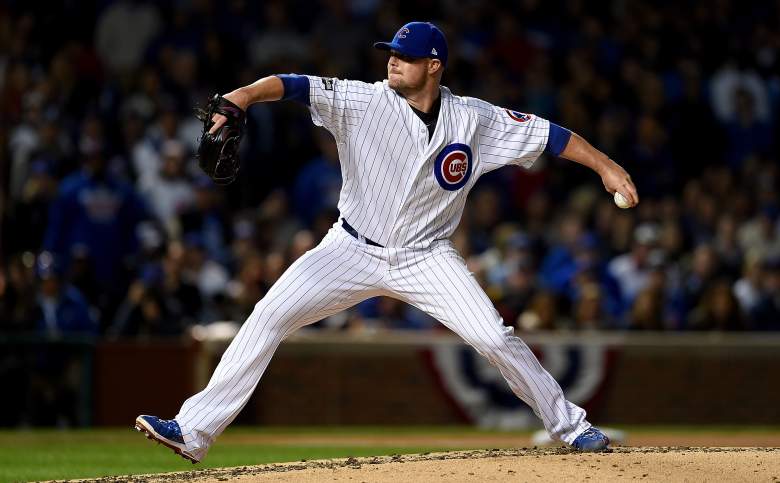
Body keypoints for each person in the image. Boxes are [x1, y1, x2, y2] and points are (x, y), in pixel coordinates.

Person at [135, 21, 638, 462]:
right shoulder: (363, 100)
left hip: (426, 256)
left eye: (406, 56)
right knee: (268, 316)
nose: (393, 61)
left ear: (434, 66)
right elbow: (292, 85)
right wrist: (243, 96)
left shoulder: (474, 119)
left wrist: (607, 167)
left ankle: (571, 427)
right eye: (391, 53)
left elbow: (550, 136)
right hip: (350, 248)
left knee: (493, 337)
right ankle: (193, 431)